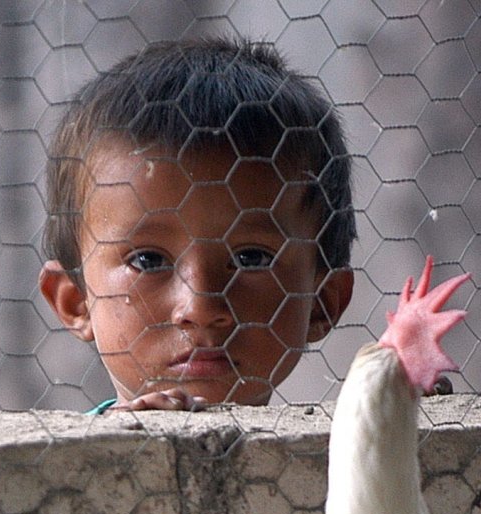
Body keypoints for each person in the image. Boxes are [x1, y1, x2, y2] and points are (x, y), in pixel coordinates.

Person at [39, 37, 355, 413]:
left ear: (321, 303)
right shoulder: (74, 461)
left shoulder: (334, 458)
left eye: (252, 257)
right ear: (77, 301)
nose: (201, 306)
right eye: (148, 260)